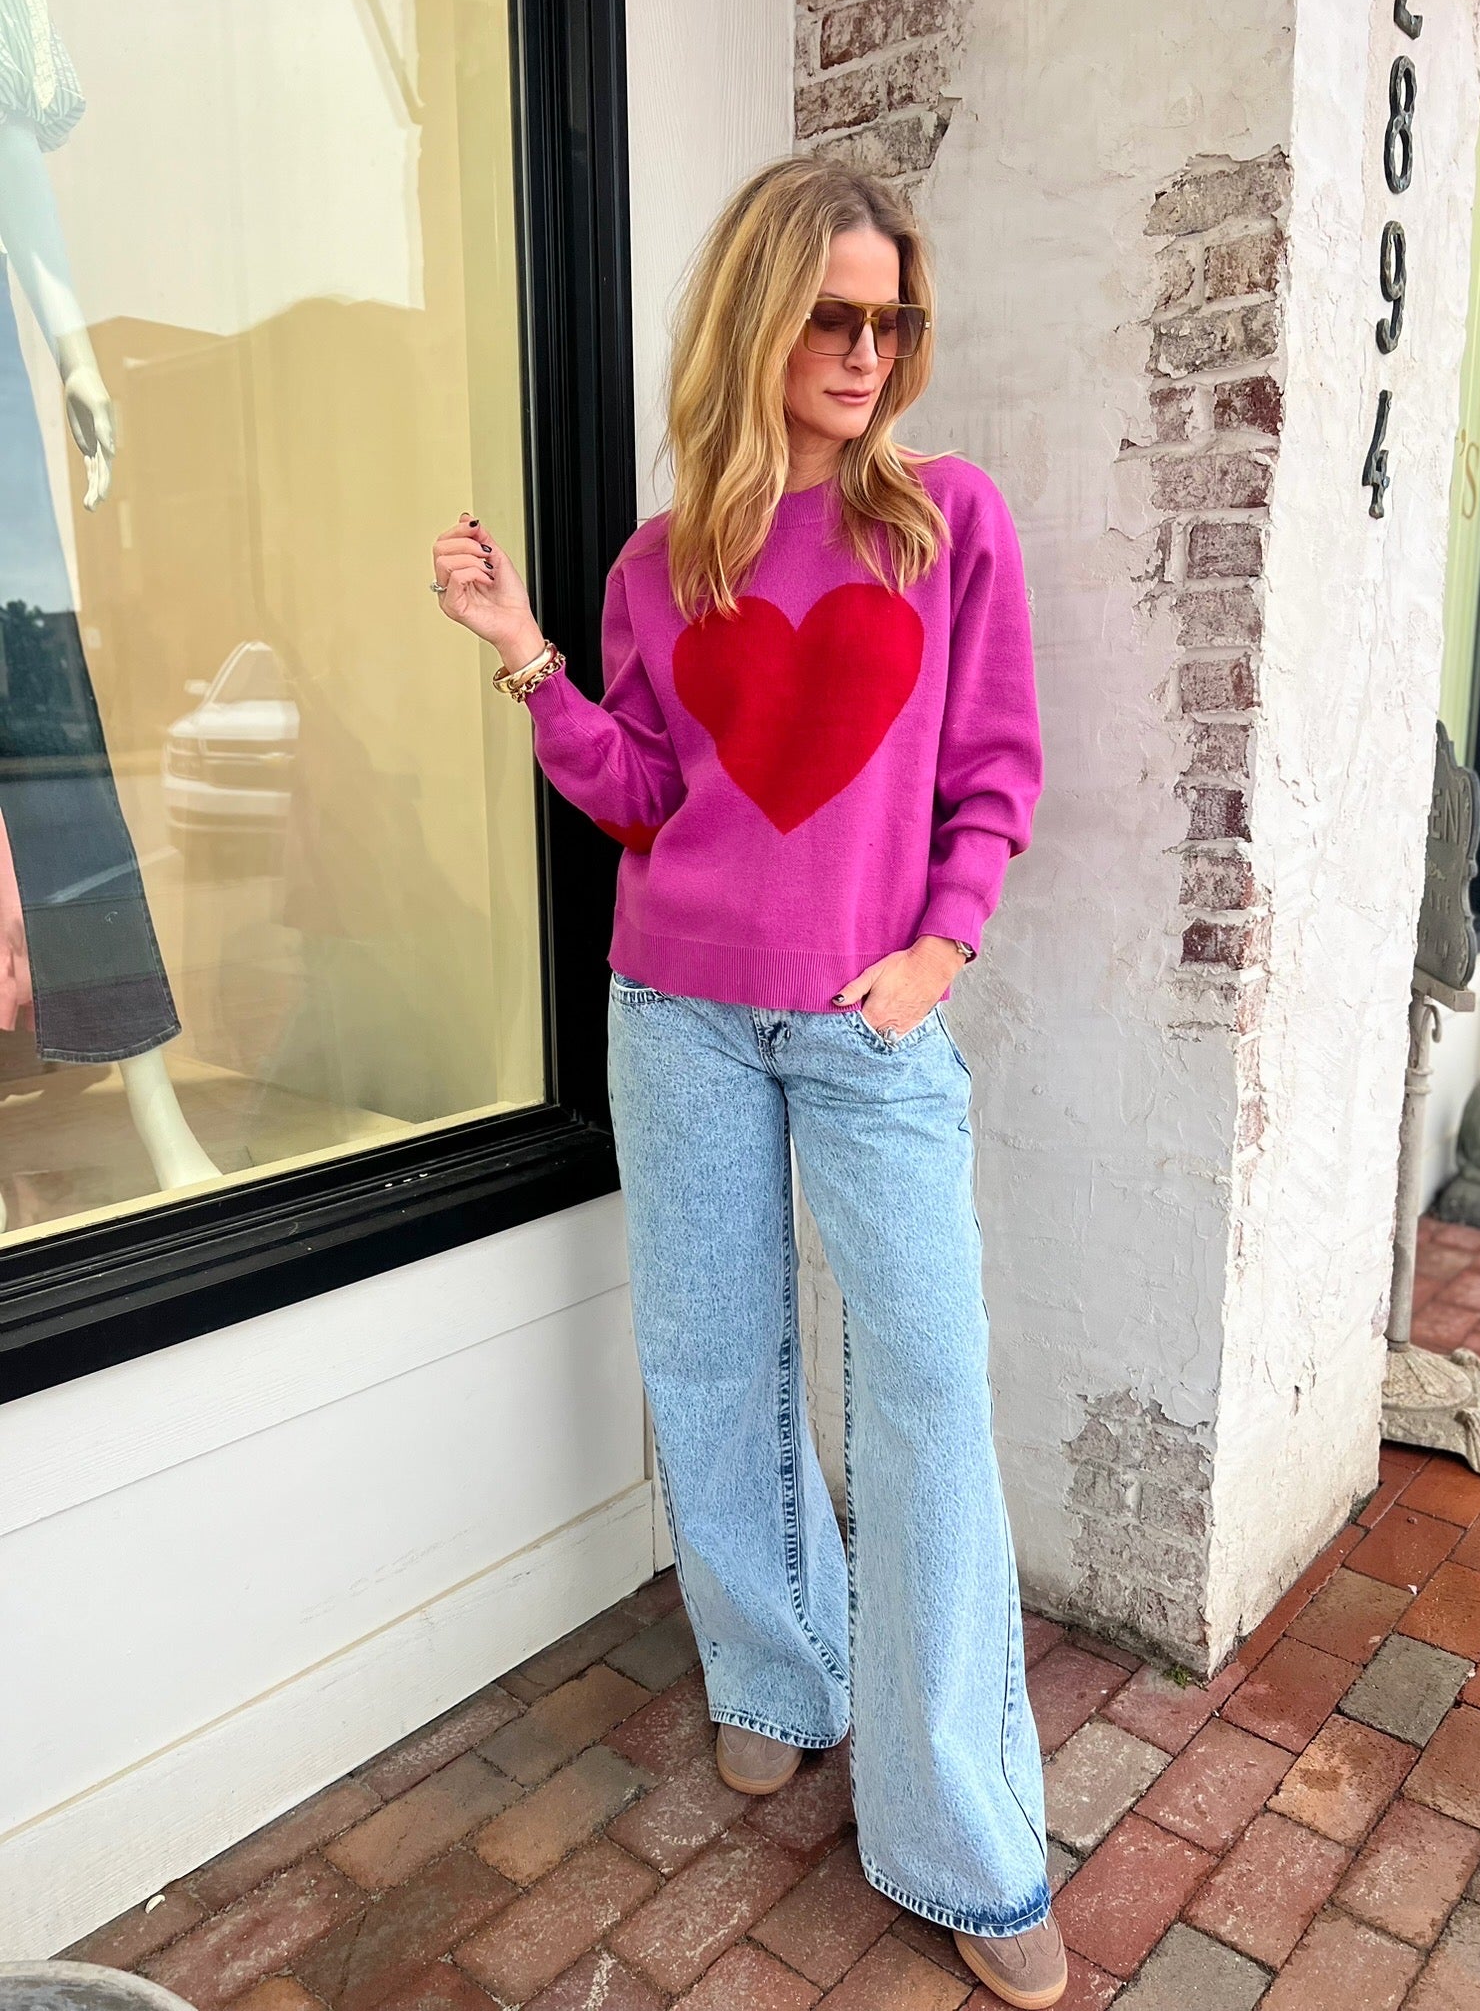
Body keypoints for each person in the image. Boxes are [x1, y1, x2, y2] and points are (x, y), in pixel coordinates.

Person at [431, 156, 1058, 2009]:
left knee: (930, 1394)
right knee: (713, 1361)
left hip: (872, 1028)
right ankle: (777, 1676)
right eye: (832, 316)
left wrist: (940, 949)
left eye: (893, 319)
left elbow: (995, 765)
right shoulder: (663, 563)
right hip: (677, 1011)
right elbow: (644, 794)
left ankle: (963, 1838)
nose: (868, 350)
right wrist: (526, 656)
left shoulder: (945, 522)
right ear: (758, 319)